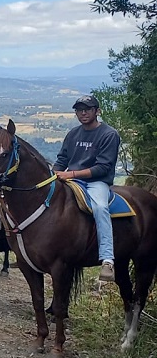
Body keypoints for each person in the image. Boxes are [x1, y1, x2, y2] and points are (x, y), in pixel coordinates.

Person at [53, 95, 121, 281]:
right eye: (79, 109)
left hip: (96, 182)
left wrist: (71, 174)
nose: (83, 113)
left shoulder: (109, 134)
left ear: (97, 111)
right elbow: (62, 160)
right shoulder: (73, 134)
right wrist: (53, 175)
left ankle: (107, 258)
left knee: (100, 207)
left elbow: (103, 167)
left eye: (88, 109)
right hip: (71, 179)